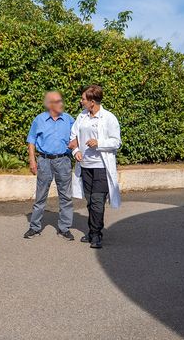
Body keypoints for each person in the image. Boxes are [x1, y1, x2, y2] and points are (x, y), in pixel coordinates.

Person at [69, 85, 122, 249]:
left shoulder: (108, 118)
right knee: (90, 201)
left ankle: (96, 235)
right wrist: (76, 151)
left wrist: (99, 143)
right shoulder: (82, 117)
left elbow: (116, 142)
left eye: (83, 99)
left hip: (101, 167)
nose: (81, 101)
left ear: (92, 102)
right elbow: (73, 137)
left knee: (98, 201)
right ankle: (93, 231)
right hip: (85, 166)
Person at [24, 91, 76, 240]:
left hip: (63, 160)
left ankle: (64, 228)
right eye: (58, 101)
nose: (61, 104)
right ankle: (34, 227)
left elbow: (78, 134)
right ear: (50, 104)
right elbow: (31, 140)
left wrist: (76, 143)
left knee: (66, 196)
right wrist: (32, 160)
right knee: (40, 196)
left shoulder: (69, 120)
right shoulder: (39, 120)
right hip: (44, 161)